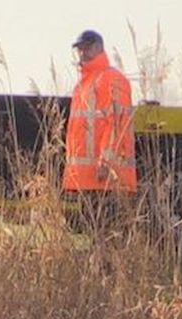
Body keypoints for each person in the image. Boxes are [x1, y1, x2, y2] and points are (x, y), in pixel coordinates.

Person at [62, 30, 137, 232]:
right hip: (89, 178)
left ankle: (110, 264)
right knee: (98, 234)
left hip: (106, 177)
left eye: (86, 48)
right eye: (80, 49)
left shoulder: (110, 79)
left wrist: (106, 162)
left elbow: (116, 124)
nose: (82, 53)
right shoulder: (84, 83)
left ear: (98, 48)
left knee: (108, 234)